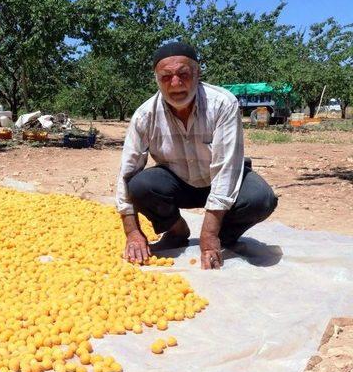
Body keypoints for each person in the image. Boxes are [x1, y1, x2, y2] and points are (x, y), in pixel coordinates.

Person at [116, 42, 278, 269]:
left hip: (222, 180)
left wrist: (209, 235)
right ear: (156, 79)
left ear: (197, 73)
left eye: (184, 74)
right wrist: (132, 232)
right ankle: (176, 230)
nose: (175, 83)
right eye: (166, 77)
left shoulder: (222, 103)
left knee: (260, 199)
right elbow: (127, 172)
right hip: (178, 182)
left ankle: (224, 234)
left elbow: (226, 168)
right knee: (139, 185)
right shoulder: (145, 115)